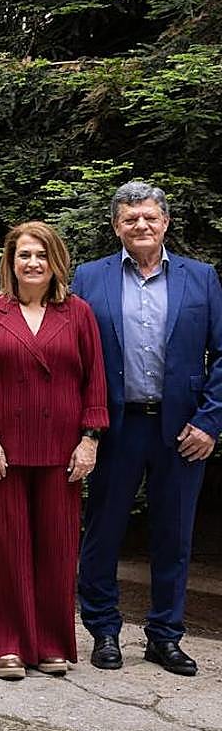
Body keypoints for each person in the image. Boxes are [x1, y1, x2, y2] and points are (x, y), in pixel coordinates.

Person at [75, 182, 222, 677]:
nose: (140, 225)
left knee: (173, 536)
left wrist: (209, 421)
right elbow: (75, 356)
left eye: (149, 218)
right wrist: (85, 429)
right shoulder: (89, 278)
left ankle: (165, 635)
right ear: (116, 225)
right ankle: (104, 631)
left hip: (183, 432)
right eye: (129, 219)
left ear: (165, 223)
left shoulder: (200, 278)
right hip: (114, 427)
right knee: (102, 531)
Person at [0, 221, 108, 680]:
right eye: (23, 255)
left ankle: (51, 644)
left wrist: (90, 440)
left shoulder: (78, 312)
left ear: (55, 261)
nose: (32, 263)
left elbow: (95, 381)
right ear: (11, 262)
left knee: (58, 549)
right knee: (7, 548)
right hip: (4, 450)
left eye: (40, 255)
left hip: (62, 450)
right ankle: (8, 644)